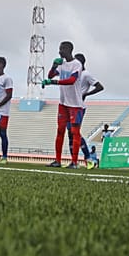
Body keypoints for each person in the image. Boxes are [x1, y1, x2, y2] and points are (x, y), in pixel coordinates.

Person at [42, 41, 84, 169]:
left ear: (69, 50)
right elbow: (50, 75)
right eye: (59, 49)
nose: (60, 52)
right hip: (63, 103)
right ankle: (58, 160)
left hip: (75, 104)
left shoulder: (77, 64)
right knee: (60, 131)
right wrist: (54, 66)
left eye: (62, 49)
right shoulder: (62, 64)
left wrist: (53, 82)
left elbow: (71, 80)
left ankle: (75, 162)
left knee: (74, 132)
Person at [66, 53, 104, 169]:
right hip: (69, 106)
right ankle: (74, 161)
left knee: (75, 132)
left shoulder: (86, 75)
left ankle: (88, 159)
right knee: (70, 134)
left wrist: (86, 94)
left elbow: (99, 87)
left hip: (78, 107)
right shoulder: (74, 74)